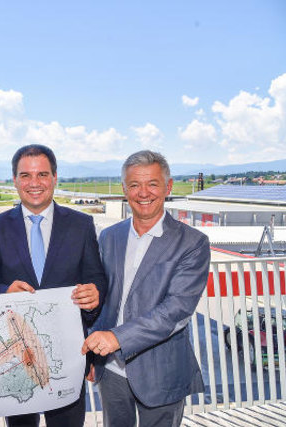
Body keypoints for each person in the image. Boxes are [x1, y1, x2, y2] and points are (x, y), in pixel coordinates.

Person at [0, 144, 107, 427]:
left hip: (68, 356)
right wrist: (4, 291)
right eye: (25, 175)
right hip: (16, 357)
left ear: (55, 177)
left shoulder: (81, 225)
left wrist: (95, 293)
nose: (34, 183)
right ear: (14, 180)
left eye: (42, 174)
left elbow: (97, 279)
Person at [83, 150, 210, 427]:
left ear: (168, 187)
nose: (143, 193)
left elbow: (176, 311)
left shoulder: (192, 243)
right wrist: (92, 354)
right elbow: (104, 300)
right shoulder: (109, 236)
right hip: (111, 370)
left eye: (152, 183)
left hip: (160, 371)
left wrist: (116, 337)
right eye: (134, 185)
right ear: (124, 189)